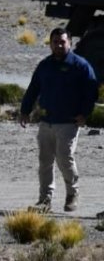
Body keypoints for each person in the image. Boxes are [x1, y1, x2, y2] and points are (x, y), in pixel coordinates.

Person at [19, 27, 98, 212]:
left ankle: (72, 193)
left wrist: (84, 113)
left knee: (64, 158)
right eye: (55, 42)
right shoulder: (45, 65)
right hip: (47, 121)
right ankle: (45, 199)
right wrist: (25, 111)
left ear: (69, 42)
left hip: (69, 122)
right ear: (50, 44)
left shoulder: (80, 65)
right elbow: (33, 89)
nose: (59, 45)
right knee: (45, 161)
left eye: (62, 42)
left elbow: (91, 91)